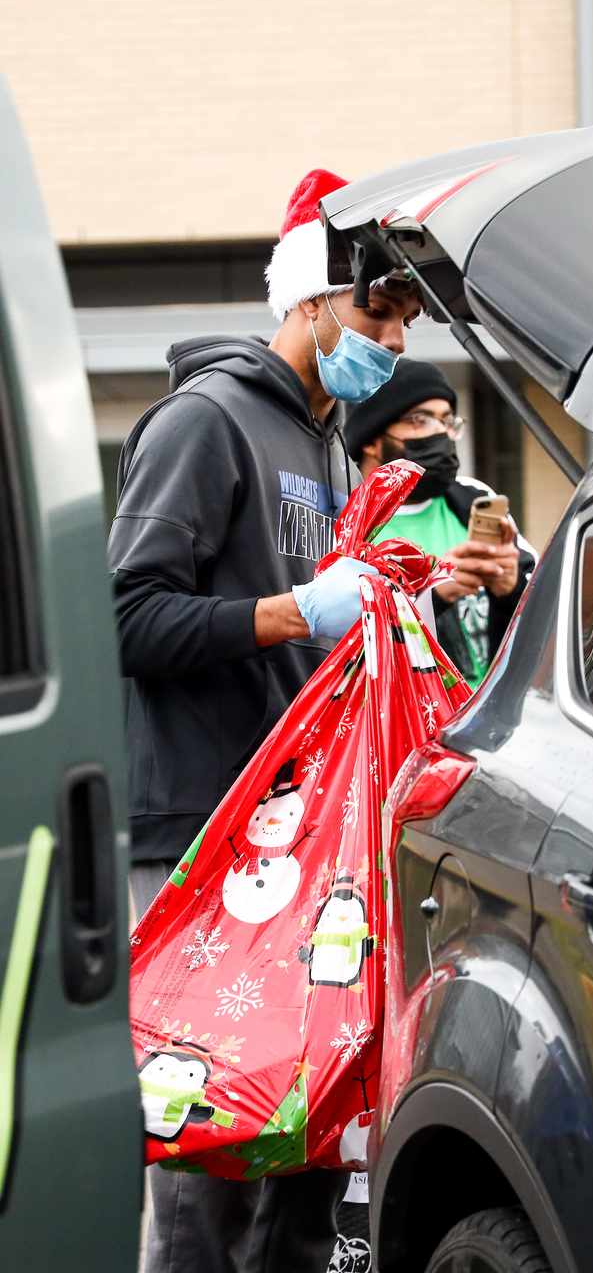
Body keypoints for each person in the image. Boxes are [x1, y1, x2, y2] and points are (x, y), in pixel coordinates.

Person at [108, 168, 422, 1273]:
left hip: (298, 843)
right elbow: (125, 615)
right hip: (201, 832)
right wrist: (293, 609)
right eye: (374, 311)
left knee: (298, 1135)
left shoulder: (332, 445)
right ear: (308, 297)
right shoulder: (206, 420)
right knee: (204, 1142)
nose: (387, 340)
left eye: (404, 320)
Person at [345, 359, 536, 688]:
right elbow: (349, 652)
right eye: (420, 420)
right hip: (408, 730)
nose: (442, 433)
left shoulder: (474, 499)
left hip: (489, 714)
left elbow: (539, 612)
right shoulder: (350, 524)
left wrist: (511, 588)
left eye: (448, 421)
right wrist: (436, 595)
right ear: (371, 440)